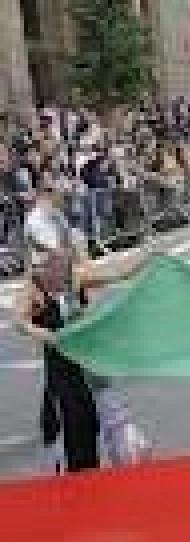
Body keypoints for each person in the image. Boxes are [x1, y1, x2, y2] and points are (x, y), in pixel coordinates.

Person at [13, 179, 155, 473]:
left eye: (64, 254)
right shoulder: (34, 287)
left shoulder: (75, 276)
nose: (62, 260)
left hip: (89, 371)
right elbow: (19, 320)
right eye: (54, 256)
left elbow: (117, 272)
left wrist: (147, 256)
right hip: (62, 379)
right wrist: (46, 334)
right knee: (74, 449)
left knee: (105, 438)